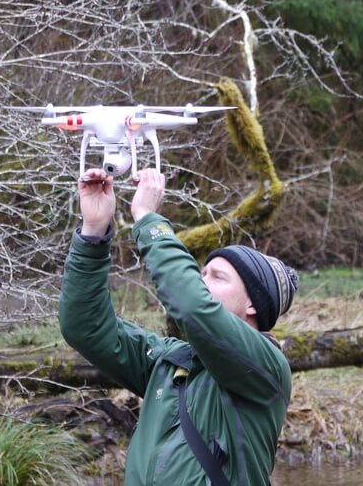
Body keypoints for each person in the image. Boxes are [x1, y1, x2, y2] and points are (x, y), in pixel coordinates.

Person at [58, 167, 298, 486]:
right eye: (203, 272)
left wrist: (147, 218)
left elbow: (193, 308)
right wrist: (94, 230)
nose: (202, 280)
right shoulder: (171, 361)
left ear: (253, 304)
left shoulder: (267, 369)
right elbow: (84, 326)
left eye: (218, 277)